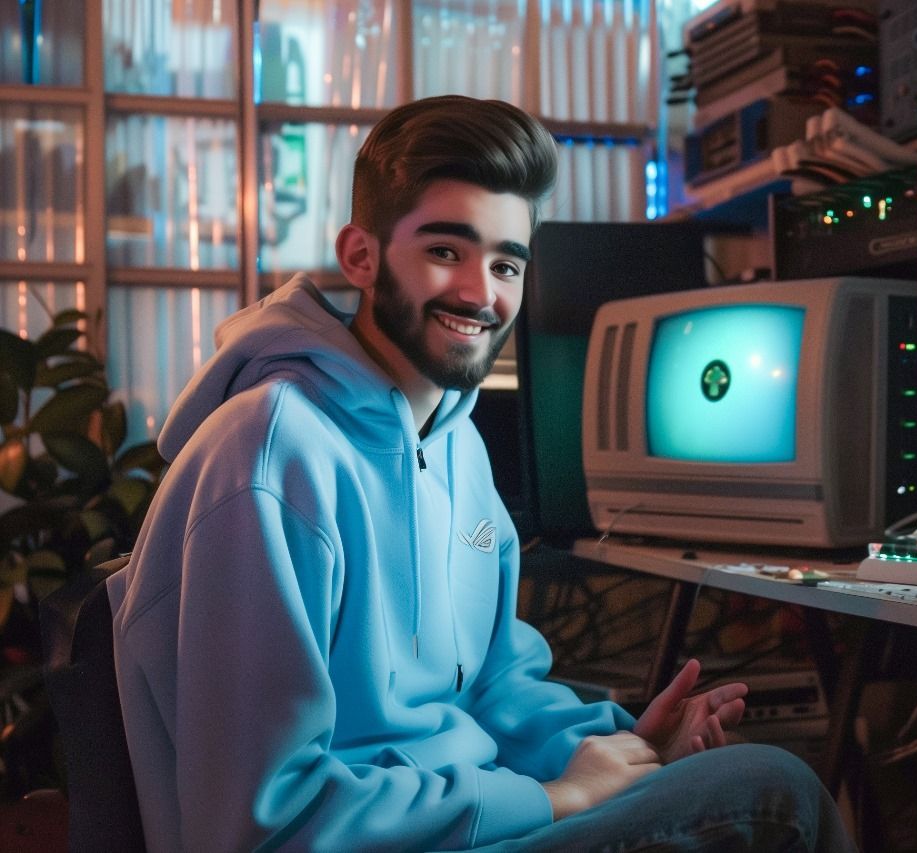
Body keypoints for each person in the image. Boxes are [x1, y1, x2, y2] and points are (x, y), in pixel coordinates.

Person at [107, 95, 853, 852]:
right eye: (445, 251)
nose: (480, 292)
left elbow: (493, 682)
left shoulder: (458, 442)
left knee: (748, 780)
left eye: (505, 263)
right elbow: (261, 821)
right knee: (772, 792)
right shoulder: (268, 452)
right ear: (360, 256)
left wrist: (620, 744)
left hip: (473, 821)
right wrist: (551, 796)